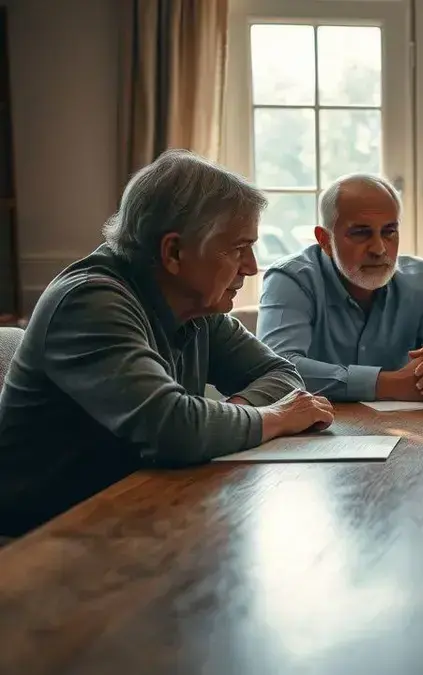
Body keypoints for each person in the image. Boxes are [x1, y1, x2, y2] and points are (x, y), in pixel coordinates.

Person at [0, 150, 333, 538]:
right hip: (42, 542)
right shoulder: (89, 302)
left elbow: (281, 374)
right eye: (238, 248)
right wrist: (274, 417)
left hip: (135, 511)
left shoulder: (197, 307)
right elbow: (173, 428)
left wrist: (230, 414)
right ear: (174, 252)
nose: (251, 266)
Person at [257, 173, 423, 403]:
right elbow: (279, 367)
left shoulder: (418, 280)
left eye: (389, 232)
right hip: (313, 434)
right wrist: (388, 384)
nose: (379, 249)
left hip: (410, 433)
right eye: (361, 233)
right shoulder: (290, 279)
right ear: (325, 240)